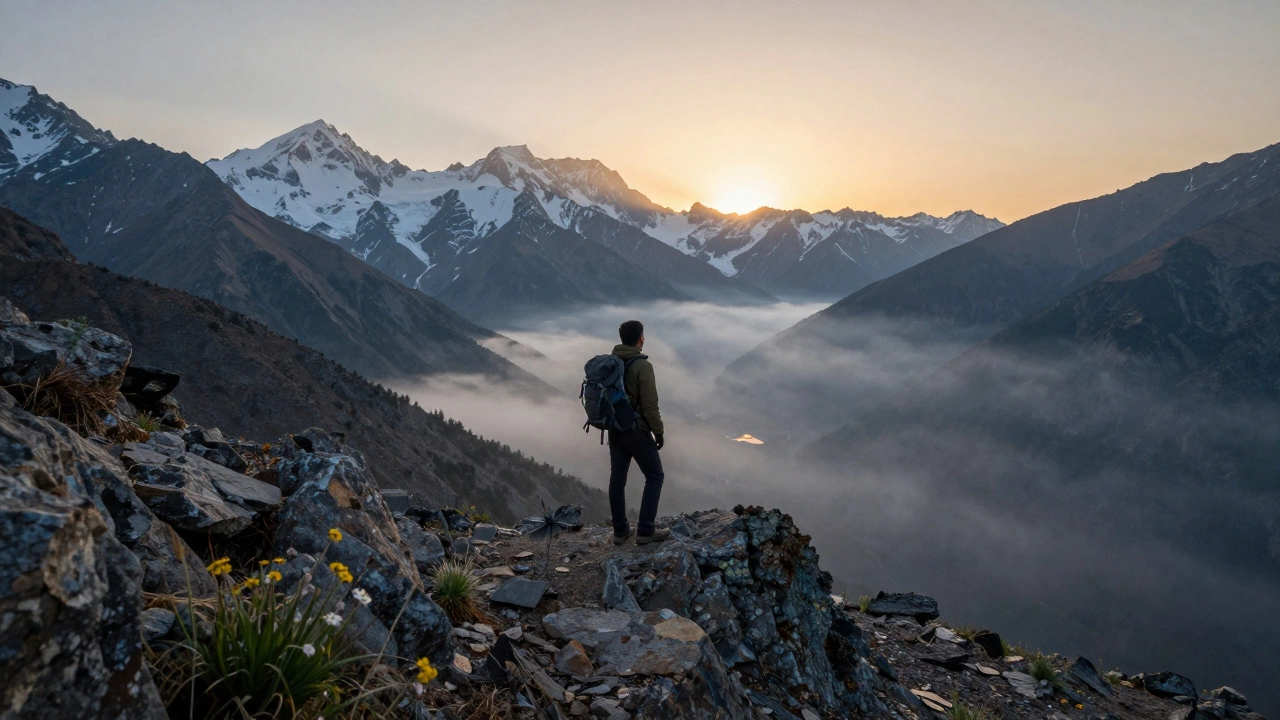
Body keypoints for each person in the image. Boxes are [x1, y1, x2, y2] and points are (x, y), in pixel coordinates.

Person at [608, 320, 670, 545]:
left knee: (617, 480)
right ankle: (645, 530)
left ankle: (621, 530)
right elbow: (650, 405)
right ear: (640, 339)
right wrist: (659, 432)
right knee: (655, 476)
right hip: (636, 431)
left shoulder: (612, 361)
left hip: (615, 430)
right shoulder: (642, 366)